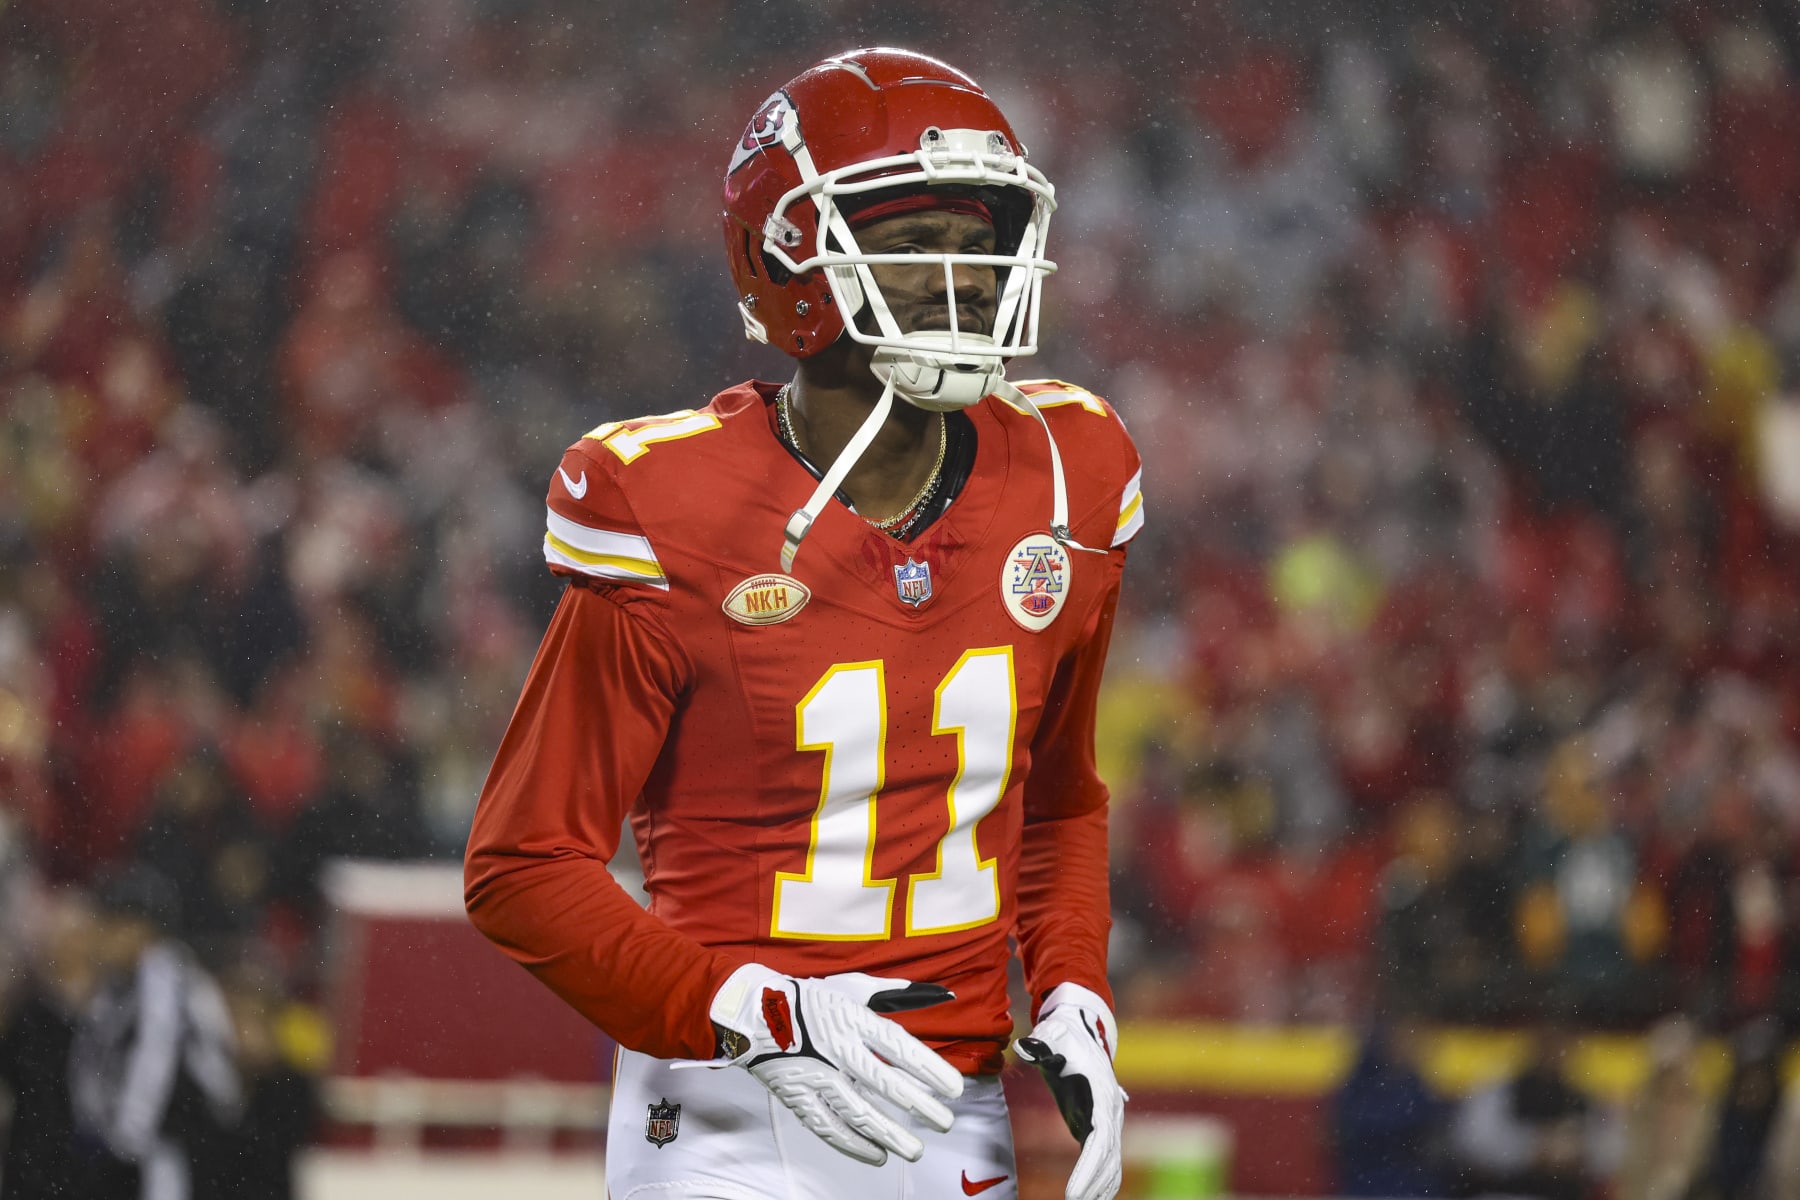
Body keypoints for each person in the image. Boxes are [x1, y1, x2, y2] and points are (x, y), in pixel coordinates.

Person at [465, 47, 1142, 1200]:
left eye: (980, 235)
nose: (967, 274)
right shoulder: (666, 502)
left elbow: (1058, 803)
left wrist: (1076, 985)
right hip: (734, 1100)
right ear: (789, 255)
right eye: (913, 237)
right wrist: (747, 1008)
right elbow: (523, 863)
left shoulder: (1068, 473)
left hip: (956, 1105)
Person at [66, 865, 243, 1200]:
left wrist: (121, 1143)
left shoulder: (166, 975)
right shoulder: (118, 983)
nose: (98, 935)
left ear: (141, 930)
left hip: (187, 1141)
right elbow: (92, 1057)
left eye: (109, 925)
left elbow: (154, 1060)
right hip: (154, 1143)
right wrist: (92, 1127)